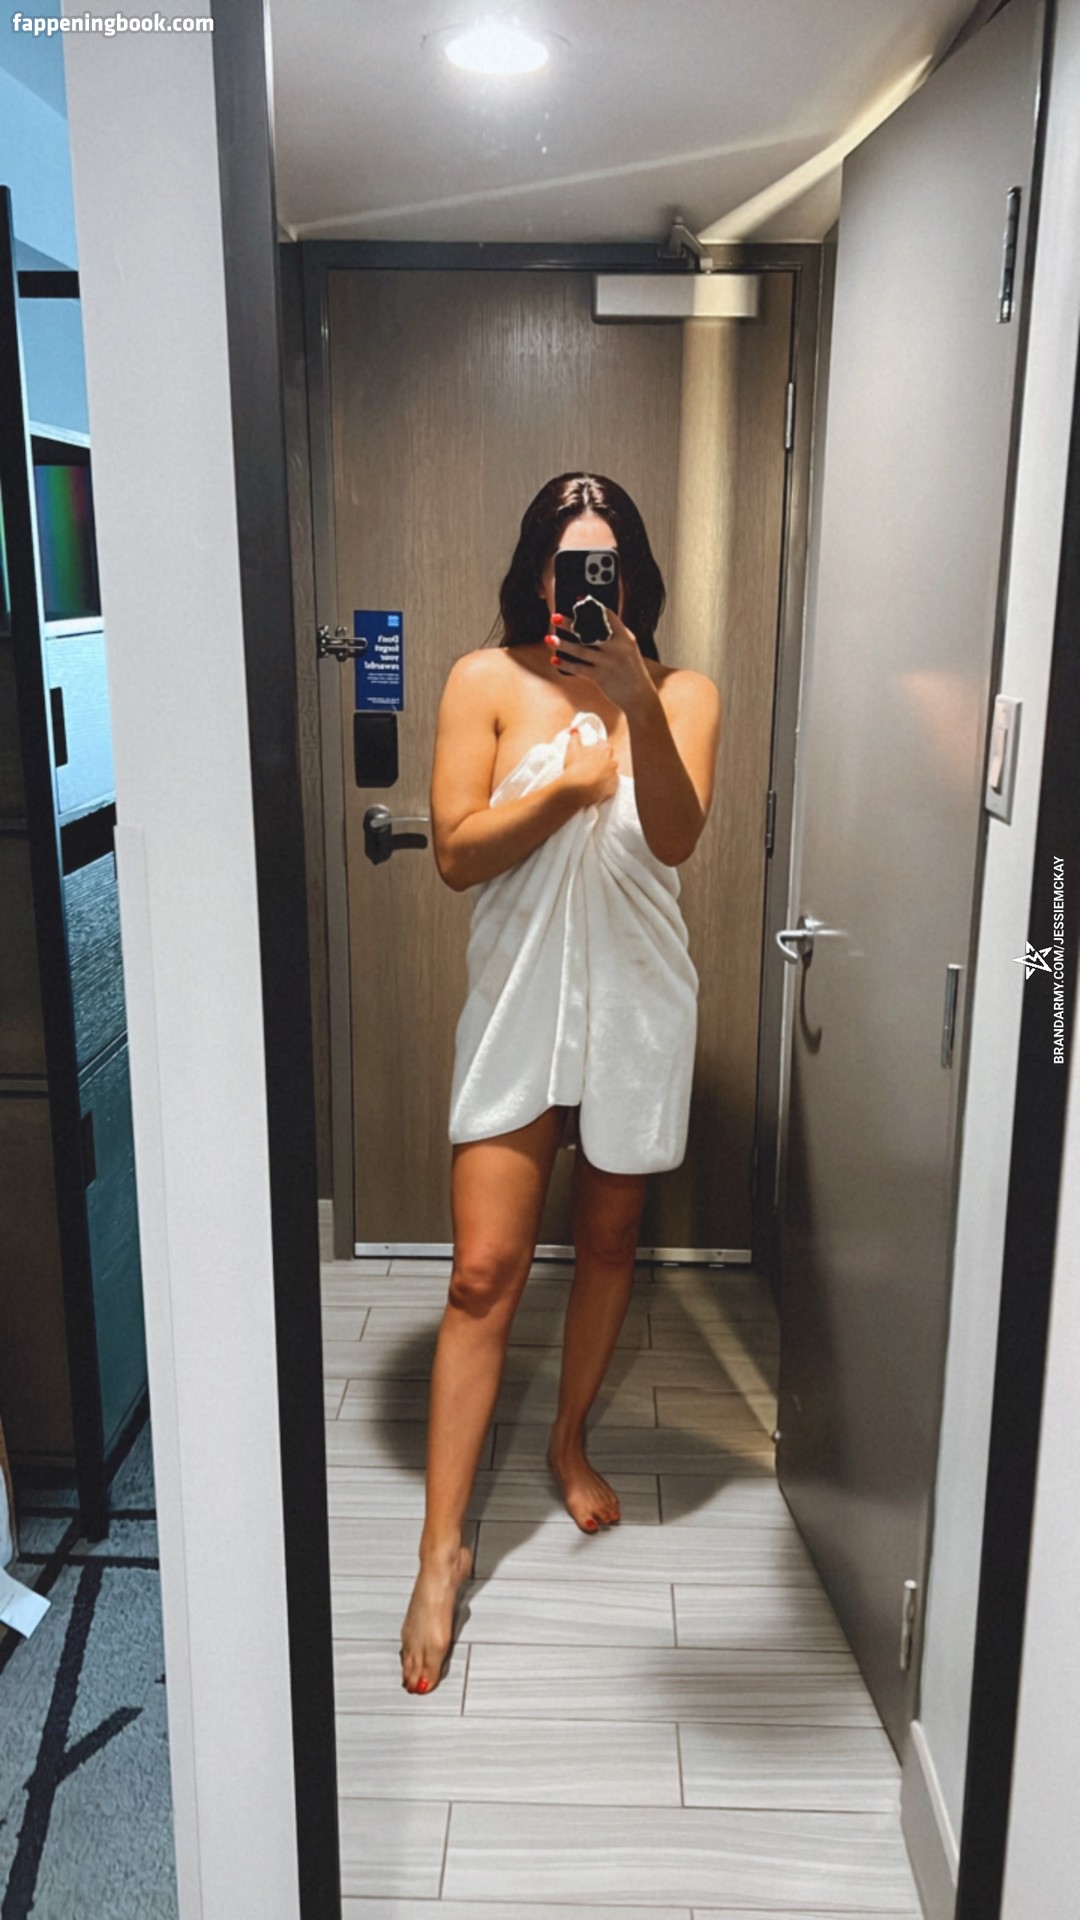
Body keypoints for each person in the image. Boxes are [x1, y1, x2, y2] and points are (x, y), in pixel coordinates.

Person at [399, 472, 722, 1694]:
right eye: (565, 562)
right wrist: (571, 787)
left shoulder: (683, 693)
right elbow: (454, 853)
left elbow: (678, 836)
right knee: (481, 1273)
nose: (585, 583)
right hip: (520, 1000)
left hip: (639, 1000)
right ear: (536, 572)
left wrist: (635, 706)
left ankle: (569, 1441)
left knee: (608, 1240)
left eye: (607, 564)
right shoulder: (483, 682)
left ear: (632, 578)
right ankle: (440, 1553)